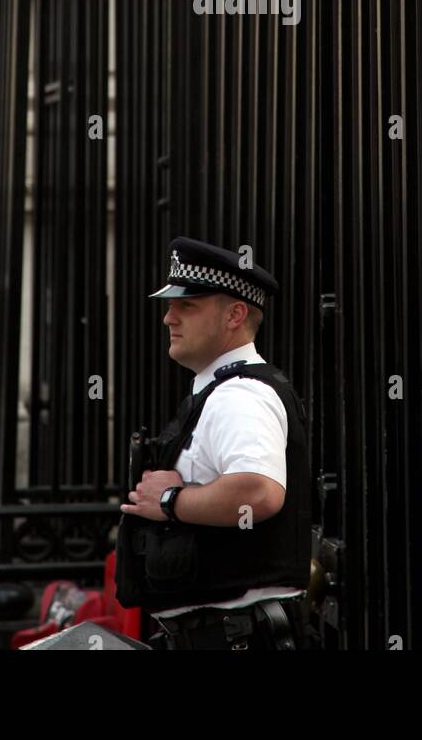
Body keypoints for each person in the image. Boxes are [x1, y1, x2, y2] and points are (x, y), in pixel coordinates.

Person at [115, 237, 316, 651]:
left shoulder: (239, 395)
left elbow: (259, 493)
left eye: (187, 305)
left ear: (235, 315)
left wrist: (170, 499)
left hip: (235, 636)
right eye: (171, 306)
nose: (169, 317)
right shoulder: (219, 390)